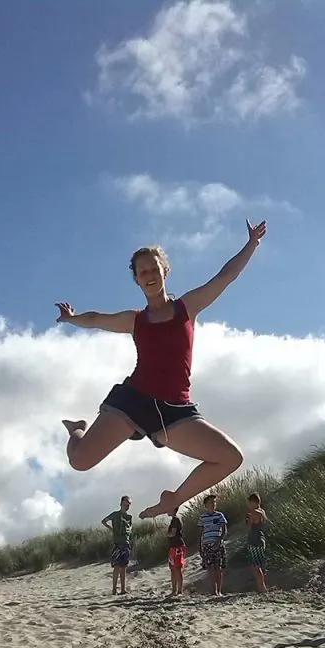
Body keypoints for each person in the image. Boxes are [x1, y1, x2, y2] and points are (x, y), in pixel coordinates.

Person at [57, 219, 267, 519]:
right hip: (135, 399)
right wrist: (72, 318)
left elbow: (225, 277)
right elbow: (96, 319)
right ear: (138, 280)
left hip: (174, 410)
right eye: (143, 272)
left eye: (154, 269)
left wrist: (251, 245)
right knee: (79, 460)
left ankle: (173, 500)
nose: (149, 275)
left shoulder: (187, 307)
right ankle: (78, 429)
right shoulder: (135, 320)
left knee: (230, 457)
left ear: (164, 271)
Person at [101, 495, 133, 596]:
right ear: (121, 504)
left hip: (126, 543)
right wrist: (110, 528)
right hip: (117, 543)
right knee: (116, 567)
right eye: (125, 504)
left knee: (124, 567)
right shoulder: (115, 514)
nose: (126, 506)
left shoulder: (129, 517)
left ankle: (123, 589)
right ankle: (114, 589)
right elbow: (104, 521)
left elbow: (130, 529)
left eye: (128, 505)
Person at [198, 494, 228, 598]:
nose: (213, 504)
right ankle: (213, 590)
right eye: (211, 502)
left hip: (218, 544)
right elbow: (200, 533)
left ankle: (219, 590)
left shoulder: (219, 515)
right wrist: (200, 546)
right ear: (206, 505)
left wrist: (219, 541)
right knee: (210, 568)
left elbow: (224, 529)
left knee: (218, 568)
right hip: (207, 545)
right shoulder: (202, 517)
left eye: (214, 502)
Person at [245, 492, 268, 595]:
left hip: (254, 540)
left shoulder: (253, 513)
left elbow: (249, 528)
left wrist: (249, 519)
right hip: (261, 538)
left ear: (253, 502)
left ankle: (261, 587)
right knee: (259, 564)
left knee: (255, 566)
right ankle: (262, 587)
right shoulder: (262, 512)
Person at [167, 510, 187, 597]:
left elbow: (173, 533)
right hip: (173, 546)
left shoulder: (175, 520)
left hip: (177, 546)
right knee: (172, 568)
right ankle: (174, 590)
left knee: (177, 568)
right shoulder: (173, 520)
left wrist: (167, 534)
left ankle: (179, 591)